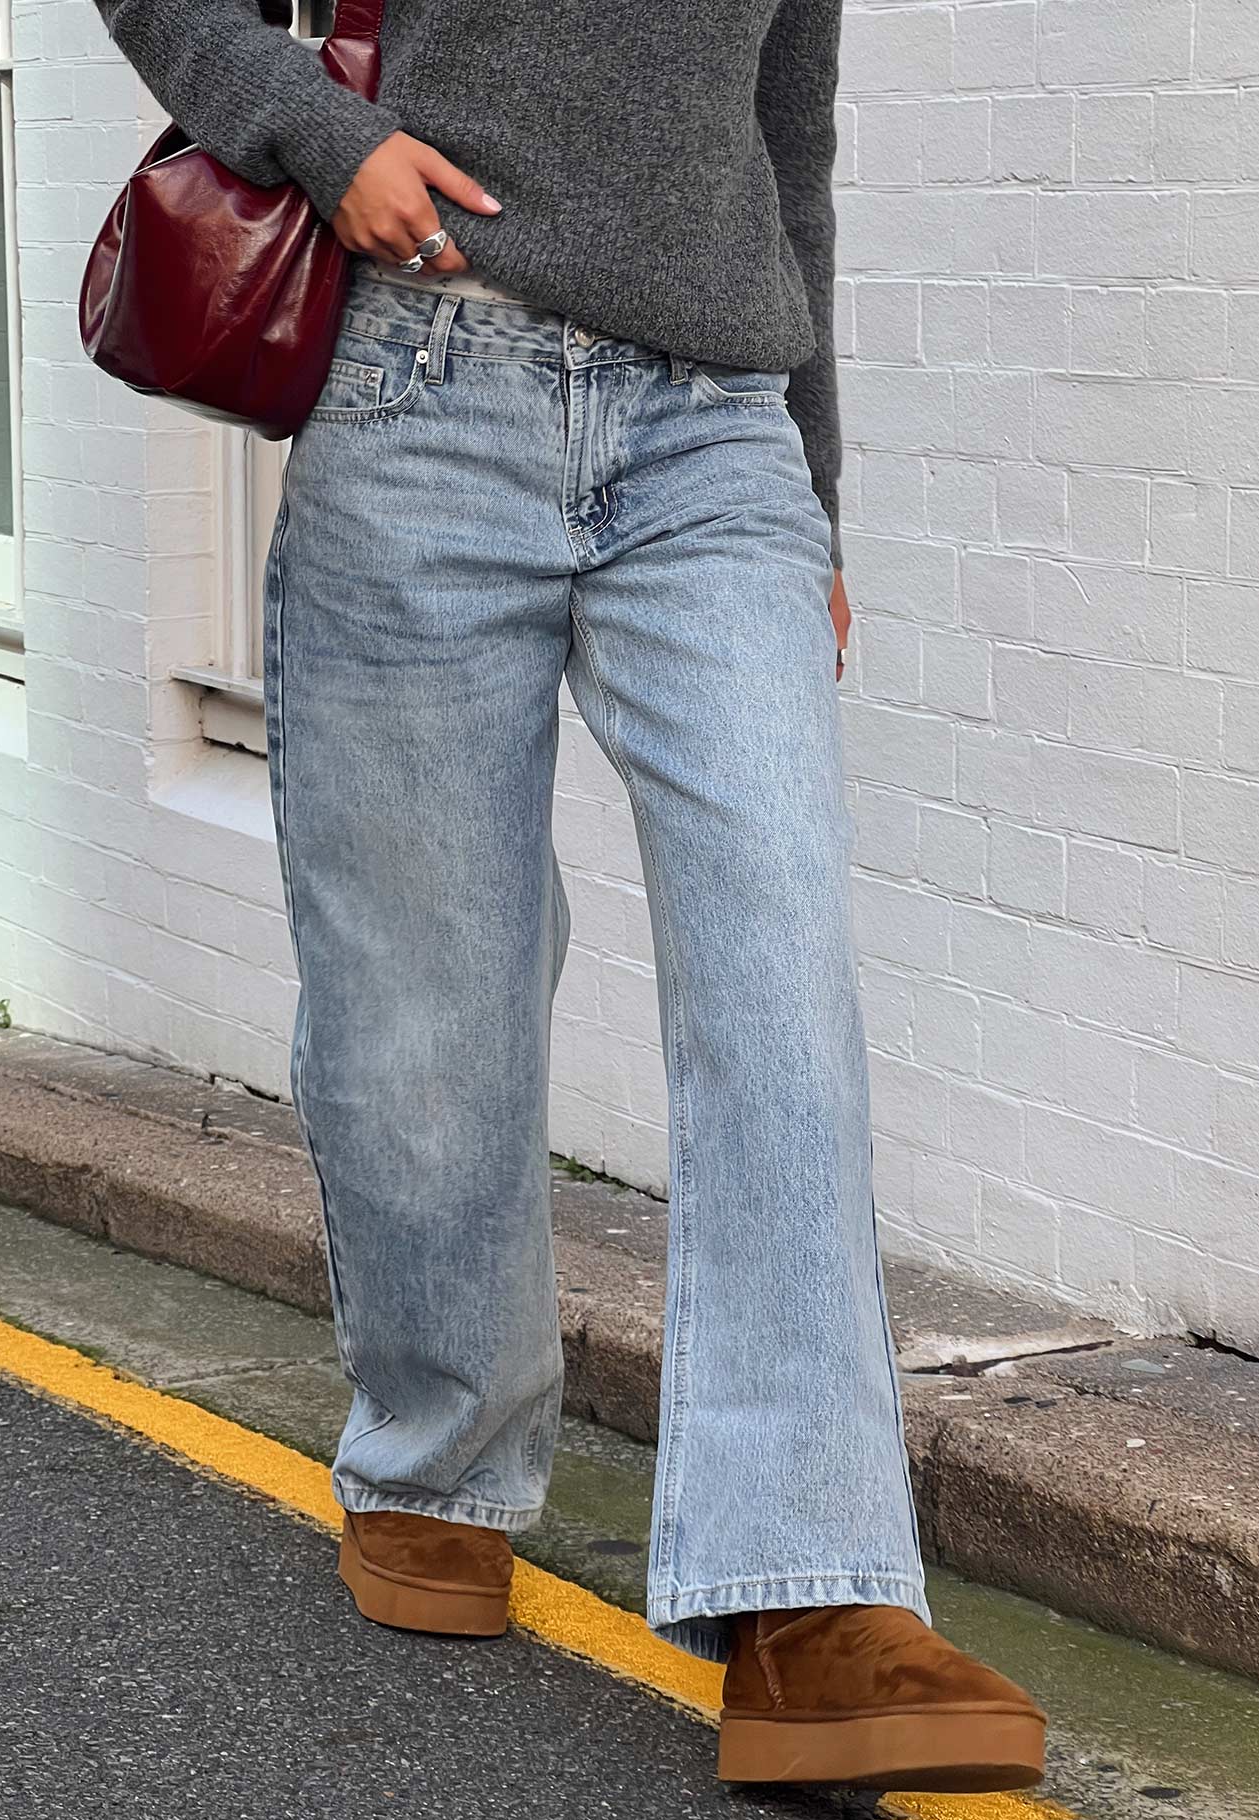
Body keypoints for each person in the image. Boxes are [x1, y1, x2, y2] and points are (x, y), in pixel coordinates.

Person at [92, 0, 1047, 1791]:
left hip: (715, 445)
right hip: (421, 390)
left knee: (774, 971)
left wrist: (816, 500)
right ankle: (438, 1454)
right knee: (425, 992)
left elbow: (790, 150)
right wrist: (323, 139)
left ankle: (807, 1591)